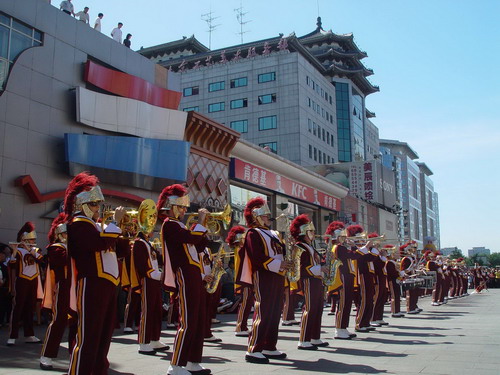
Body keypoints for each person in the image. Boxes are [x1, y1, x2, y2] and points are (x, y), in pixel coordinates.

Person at [64, 172, 129, 375]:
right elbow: (97, 244)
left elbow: (121, 252)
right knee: (89, 336)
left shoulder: (96, 226)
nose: (98, 208)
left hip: (107, 285)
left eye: (98, 204)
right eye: (94, 204)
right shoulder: (78, 224)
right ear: (82, 204)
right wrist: (115, 224)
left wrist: (124, 231)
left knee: (103, 336)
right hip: (91, 284)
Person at [157, 184, 211, 375]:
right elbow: (191, 238)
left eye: (184, 207)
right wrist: (201, 222)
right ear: (171, 207)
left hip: (194, 274)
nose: (184, 210)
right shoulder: (170, 225)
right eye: (181, 206)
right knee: (187, 320)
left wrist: (203, 229)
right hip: (183, 274)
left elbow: (200, 244)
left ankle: (192, 361)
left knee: (197, 319)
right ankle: (175, 364)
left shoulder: (180, 225)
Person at [235, 197, 293, 364]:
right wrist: (279, 263)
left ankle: (269, 345)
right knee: (264, 310)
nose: (268, 218)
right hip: (264, 275)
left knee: (275, 312)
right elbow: (257, 257)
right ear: (256, 217)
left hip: (277, 274)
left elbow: (280, 252)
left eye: (268, 215)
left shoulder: (273, 233)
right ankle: (254, 348)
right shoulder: (253, 233)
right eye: (265, 215)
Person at [132, 199, 169, 355]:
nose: (152, 224)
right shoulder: (139, 243)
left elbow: (159, 261)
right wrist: (161, 275)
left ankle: (154, 339)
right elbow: (143, 267)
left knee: (156, 311)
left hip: (155, 281)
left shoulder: (148, 243)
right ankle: (143, 341)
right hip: (147, 281)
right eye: (149, 220)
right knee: (147, 311)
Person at [40, 213, 73, 370]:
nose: (69, 236)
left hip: (76, 288)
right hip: (62, 288)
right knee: (59, 321)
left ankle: (75, 354)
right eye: (66, 233)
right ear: (59, 235)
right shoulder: (55, 248)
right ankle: (46, 355)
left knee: (77, 322)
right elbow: (63, 261)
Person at [290, 214, 328, 350]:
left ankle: (315, 337)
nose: (313, 233)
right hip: (308, 280)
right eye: (310, 231)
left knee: (318, 309)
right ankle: (304, 339)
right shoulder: (300, 246)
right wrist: (320, 268)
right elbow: (301, 267)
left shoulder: (310, 246)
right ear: (303, 232)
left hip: (316, 280)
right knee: (310, 308)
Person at [7, 222, 43, 346]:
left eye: (34, 239)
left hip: (33, 280)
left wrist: (30, 250)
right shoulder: (18, 252)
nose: (33, 241)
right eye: (31, 239)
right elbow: (11, 265)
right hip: (22, 280)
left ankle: (29, 334)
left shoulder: (36, 251)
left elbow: (42, 261)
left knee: (30, 308)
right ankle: (12, 336)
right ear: (24, 239)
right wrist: (14, 251)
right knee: (18, 308)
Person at [227, 226, 253, 336]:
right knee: (245, 303)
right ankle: (240, 327)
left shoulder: (240, 249)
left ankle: (242, 326)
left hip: (246, 277)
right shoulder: (240, 249)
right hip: (244, 278)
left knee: (247, 303)